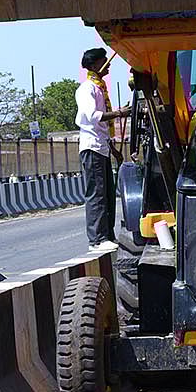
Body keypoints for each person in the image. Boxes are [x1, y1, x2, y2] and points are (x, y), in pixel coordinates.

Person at [75, 48, 123, 249]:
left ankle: (107, 235)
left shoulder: (100, 87)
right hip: (92, 147)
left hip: (102, 147)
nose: (109, 65)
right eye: (105, 61)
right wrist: (120, 113)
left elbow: (102, 127)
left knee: (108, 194)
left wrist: (113, 149)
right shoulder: (87, 88)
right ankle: (96, 239)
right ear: (95, 65)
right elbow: (91, 116)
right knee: (96, 194)